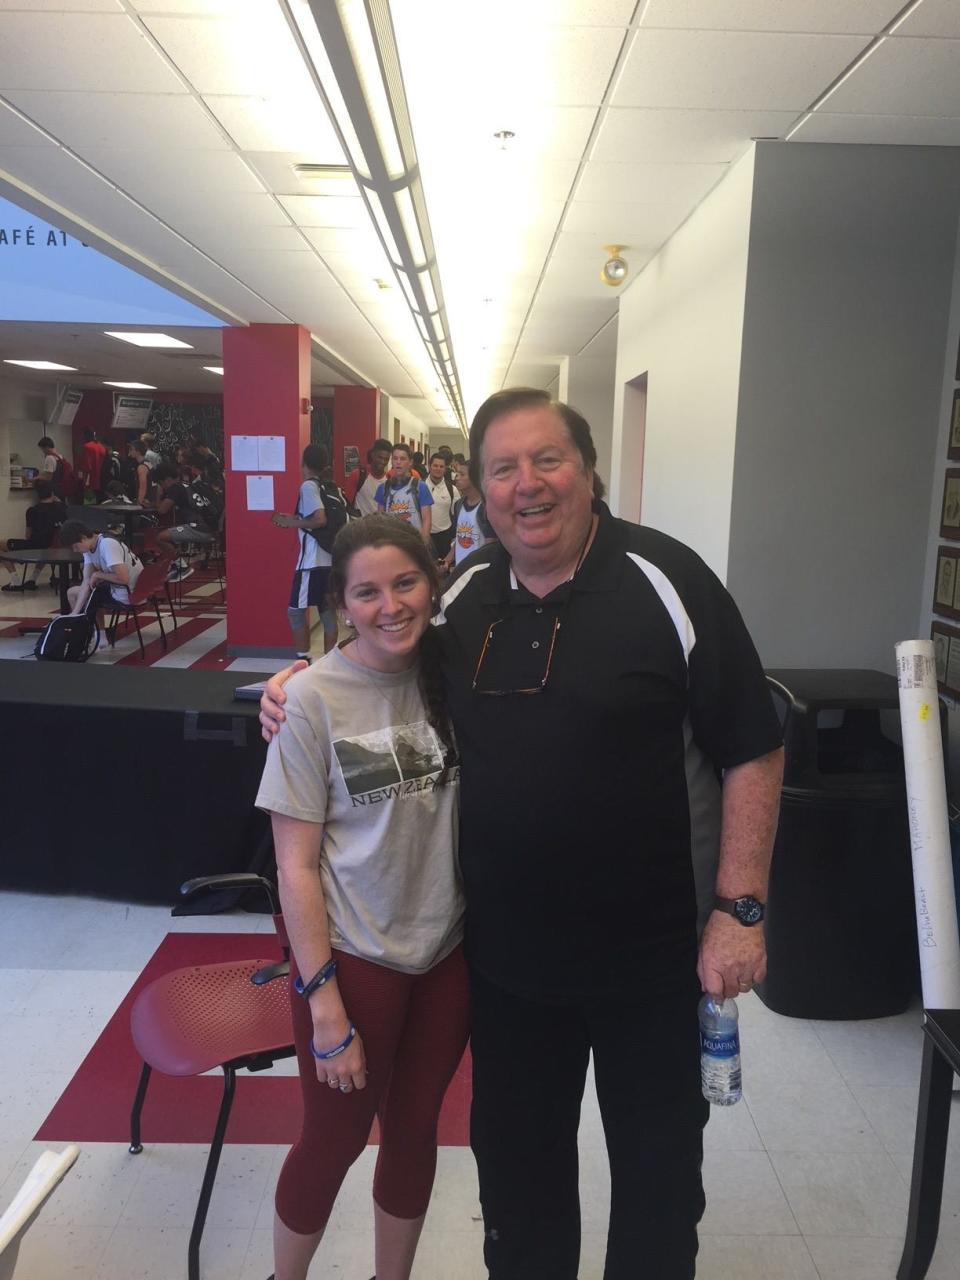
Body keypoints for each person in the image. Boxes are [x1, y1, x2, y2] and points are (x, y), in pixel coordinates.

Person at [261, 387, 784, 1280]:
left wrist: (741, 908)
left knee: (659, 1180)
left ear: (588, 471)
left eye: (548, 460)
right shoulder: (463, 594)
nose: (527, 486)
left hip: (654, 961)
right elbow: (381, 653)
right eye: (503, 469)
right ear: (479, 489)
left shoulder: (670, 580)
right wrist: (299, 682)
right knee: (520, 1179)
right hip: (504, 966)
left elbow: (755, 745)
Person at [256, 514, 469, 1280]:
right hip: (355, 962)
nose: (391, 606)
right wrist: (325, 1007)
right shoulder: (310, 699)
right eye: (367, 592)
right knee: (334, 1140)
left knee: (416, 1133)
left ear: (432, 582)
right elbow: (295, 867)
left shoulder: (458, 669)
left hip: (446, 955)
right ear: (343, 604)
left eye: (405, 583)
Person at [272, 444, 339, 661]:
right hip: (329, 561)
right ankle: (330, 664)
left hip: (311, 563)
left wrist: (292, 524)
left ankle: (303, 661)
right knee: (327, 611)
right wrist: (295, 520)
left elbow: (319, 519)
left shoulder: (308, 486)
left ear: (304, 463)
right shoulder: (329, 486)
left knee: (295, 611)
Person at [60, 517, 143, 634]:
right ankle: (86, 627)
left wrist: (99, 574)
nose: (75, 550)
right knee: (74, 592)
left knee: (93, 593)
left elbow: (124, 579)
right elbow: (86, 581)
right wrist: (75, 612)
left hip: (130, 593)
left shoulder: (107, 545)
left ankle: (91, 634)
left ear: (83, 538)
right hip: (134, 590)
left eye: (75, 546)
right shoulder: (90, 548)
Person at [0, 479, 66, 592]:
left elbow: (28, 535)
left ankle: (15, 581)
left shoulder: (32, 511)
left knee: (1, 544)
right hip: (54, 547)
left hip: (34, 546)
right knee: (45, 546)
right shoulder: (62, 508)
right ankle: (32, 579)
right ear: (52, 493)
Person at [442, 461, 495, 571]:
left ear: (475, 478)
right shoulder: (459, 505)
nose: (457, 478)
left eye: (462, 474)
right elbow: (459, 538)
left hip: (479, 573)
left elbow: (491, 547)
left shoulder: (487, 507)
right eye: (457, 474)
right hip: (461, 570)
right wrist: (447, 560)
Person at [375, 445, 433, 545]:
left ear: (410, 462)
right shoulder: (383, 488)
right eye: (395, 458)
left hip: (415, 543)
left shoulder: (420, 487)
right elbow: (380, 520)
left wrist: (424, 545)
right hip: (392, 545)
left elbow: (427, 521)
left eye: (402, 459)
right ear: (391, 461)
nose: (398, 462)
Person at [424, 453, 455, 561]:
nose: (438, 469)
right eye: (435, 465)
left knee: (443, 572)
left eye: (441, 466)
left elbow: (456, 515)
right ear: (429, 466)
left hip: (444, 538)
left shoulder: (452, 489)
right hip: (424, 536)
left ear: (445, 469)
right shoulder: (419, 487)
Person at [352, 439, 393, 517]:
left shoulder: (389, 479)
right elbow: (347, 503)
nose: (383, 462)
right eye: (380, 457)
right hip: (361, 526)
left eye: (386, 459)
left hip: (381, 526)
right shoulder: (358, 475)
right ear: (373, 455)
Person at [36, 435, 77, 501]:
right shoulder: (60, 457)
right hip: (62, 488)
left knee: (53, 508)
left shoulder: (49, 458)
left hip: (54, 490)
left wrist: (37, 478)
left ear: (46, 447)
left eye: (42, 449)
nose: (43, 451)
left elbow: (49, 477)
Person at [78, 429, 108, 500]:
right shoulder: (102, 447)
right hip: (102, 480)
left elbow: (87, 466)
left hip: (91, 481)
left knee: (90, 505)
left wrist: (84, 482)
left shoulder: (87, 446)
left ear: (86, 436)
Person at [126, 440, 151, 505]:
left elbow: (143, 487)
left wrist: (139, 502)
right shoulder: (148, 463)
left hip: (145, 502)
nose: (130, 452)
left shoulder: (141, 467)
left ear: (138, 451)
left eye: (131, 450)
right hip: (150, 500)